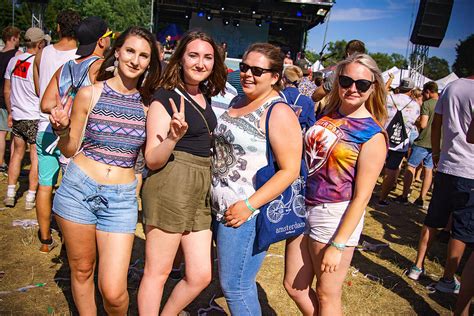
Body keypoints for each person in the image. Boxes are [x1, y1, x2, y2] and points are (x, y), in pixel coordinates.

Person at [49, 26, 160, 314]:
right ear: (118, 51)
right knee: (83, 270)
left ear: (150, 62)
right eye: (131, 51)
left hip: (120, 200)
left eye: (144, 56)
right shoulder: (89, 93)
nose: (135, 60)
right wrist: (60, 131)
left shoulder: (150, 106)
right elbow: (71, 149)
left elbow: (148, 159)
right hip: (77, 191)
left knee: (113, 291)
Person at [138, 31, 226, 315]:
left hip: (200, 186)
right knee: (158, 272)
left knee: (201, 275)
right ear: (180, 59)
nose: (201, 63)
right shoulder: (165, 97)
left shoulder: (205, 95)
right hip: (171, 181)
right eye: (193, 55)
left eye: (208, 57)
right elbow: (151, 159)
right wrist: (172, 138)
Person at [211, 43, 302, 315]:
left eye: (257, 70)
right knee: (240, 283)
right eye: (245, 68)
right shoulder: (238, 100)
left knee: (235, 287)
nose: (248, 74)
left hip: (244, 213)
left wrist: (249, 205)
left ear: (275, 76)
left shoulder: (278, 111)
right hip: (221, 207)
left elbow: (290, 170)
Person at [304, 53, 387, 315]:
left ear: (373, 88)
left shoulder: (372, 134)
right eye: (346, 80)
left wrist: (338, 245)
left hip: (334, 216)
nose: (352, 88)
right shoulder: (328, 113)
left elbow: (362, 197)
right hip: (304, 207)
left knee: (327, 295)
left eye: (362, 84)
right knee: (293, 286)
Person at [406, 75, 474, 294]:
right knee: (461, 228)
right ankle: (447, 279)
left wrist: (436, 152)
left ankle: (417, 266)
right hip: (470, 171)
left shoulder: (452, 87)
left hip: (447, 164)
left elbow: (436, 125)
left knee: (433, 218)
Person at [33, 9, 81, 253]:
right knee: (71, 188)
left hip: (44, 126)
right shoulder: (81, 57)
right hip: (69, 130)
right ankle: (69, 242)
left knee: (45, 185)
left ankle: (44, 240)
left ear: (59, 28)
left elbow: (37, 88)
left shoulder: (42, 54)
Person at [41, 16, 111, 171]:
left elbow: (45, 104)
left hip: (67, 144)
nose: (110, 39)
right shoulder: (101, 67)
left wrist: (66, 108)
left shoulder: (65, 67)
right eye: (109, 35)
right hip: (90, 149)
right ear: (101, 41)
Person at [3, 27, 45, 209]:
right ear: (40, 43)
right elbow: (39, 90)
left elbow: (7, 89)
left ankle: (10, 193)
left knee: (16, 155)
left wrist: (11, 111)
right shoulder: (38, 62)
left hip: (18, 115)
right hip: (34, 116)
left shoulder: (13, 60)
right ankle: (30, 197)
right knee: (35, 158)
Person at [377, 78, 420, 207]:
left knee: (375, 167)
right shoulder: (415, 105)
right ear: (411, 90)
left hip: (383, 138)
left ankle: (364, 194)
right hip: (401, 143)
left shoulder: (389, 98)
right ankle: (382, 198)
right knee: (392, 170)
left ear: (399, 87)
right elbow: (415, 123)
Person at [395, 81, 438, 208]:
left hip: (423, 140)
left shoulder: (427, 104)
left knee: (410, 166)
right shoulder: (444, 104)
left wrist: (417, 122)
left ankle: (404, 196)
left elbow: (423, 124)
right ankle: (421, 198)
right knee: (428, 170)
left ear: (428, 92)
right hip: (436, 143)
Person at [0, 26, 22, 173]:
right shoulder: (17, 55)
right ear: (13, 38)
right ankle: (14, 162)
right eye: (19, 37)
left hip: (0, 97)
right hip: (12, 98)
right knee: (15, 135)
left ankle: (0, 162)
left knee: (1, 133)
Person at [281, 65, 316, 132]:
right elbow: (311, 127)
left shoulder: (277, 96)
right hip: (297, 138)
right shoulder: (308, 101)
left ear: (284, 79)